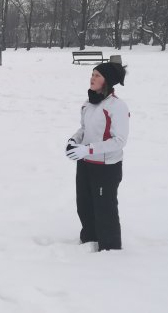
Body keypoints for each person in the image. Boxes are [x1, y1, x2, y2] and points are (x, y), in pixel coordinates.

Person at [65, 62, 129, 252]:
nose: (92, 78)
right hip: (85, 163)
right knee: (84, 205)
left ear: (107, 81)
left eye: (97, 75)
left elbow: (119, 140)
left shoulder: (117, 106)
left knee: (104, 209)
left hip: (106, 167)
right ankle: (89, 242)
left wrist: (88, 149)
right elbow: (84, 129)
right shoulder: (89, 103)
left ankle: (109, 250)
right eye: (92, 74)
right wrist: (73, 140)